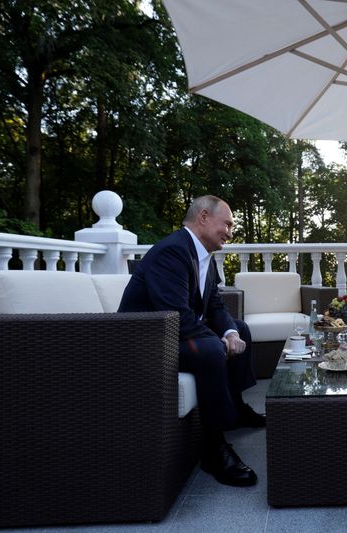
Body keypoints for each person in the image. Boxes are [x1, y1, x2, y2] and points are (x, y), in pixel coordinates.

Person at [118, 195, 264, 487]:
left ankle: (235, 407)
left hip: (173, 332)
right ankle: (213, 448)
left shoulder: (204, 256)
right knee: (210, 348)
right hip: (147, 340)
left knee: (241, 329)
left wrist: (230, 334)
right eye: (227, 224)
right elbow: (175, 315)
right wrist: (219, 342)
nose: (230, 232)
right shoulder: (171, 252)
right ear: (204, 217)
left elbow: (215, 306)